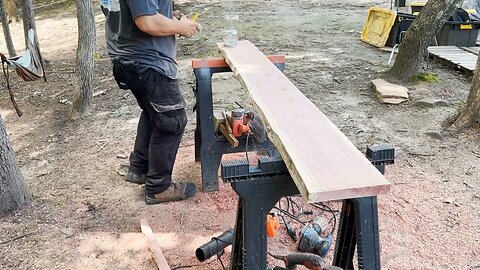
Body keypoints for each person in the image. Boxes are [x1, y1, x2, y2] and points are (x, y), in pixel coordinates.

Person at [100, 0, 201, 204]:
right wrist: (181, 27)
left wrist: (169, 18)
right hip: (148, 61)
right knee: (172, 121)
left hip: (127, 57)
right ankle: (159, 187)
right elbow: (147, 22)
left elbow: (134, 13)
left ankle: (139, 169)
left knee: (152, 112)